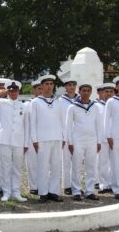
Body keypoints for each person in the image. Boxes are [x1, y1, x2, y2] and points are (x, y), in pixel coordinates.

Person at [0, 80, 29, 202]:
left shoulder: (23, 106)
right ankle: (6, 192)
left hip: (19, 140)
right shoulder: (2, 103)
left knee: (17, 167)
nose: (13, 93)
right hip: (4, 139)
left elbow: (26, 126)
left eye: (15, 91)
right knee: (5, 166)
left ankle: (16, 192)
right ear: (8, 91)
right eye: (11, 91)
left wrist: (26, 143)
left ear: (18, 92)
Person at [29, 74, 67, 203]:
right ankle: (43, 192)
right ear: (42, 86)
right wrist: (34, 139)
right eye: (47, 84)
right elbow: (32, 122)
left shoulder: (58, 101)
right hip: (42, 138)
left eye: (51, 84)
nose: (49, 86)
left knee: (56, 166)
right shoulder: (36, 102)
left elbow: (63, 121)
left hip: (57, 138)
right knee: (43, 166)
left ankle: (53, 191)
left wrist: (63, 137)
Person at [65, 83, 102, 201]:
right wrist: (70, 142)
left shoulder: (95, 106)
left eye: (88, 91)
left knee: (91, 166)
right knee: (76, 165)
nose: (86, 93)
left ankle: (89, 191)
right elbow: (68, 126)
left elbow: (99, 125)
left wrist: (99, 141)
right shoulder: (72, 107)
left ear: (91, 92)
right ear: (79, 92)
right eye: (83, 91)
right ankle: (76, 191)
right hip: (77, 140)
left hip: (92, 139)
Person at [59, 79, 79, 196]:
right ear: (65, 87)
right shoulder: (61, 101)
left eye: (73, 85)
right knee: (66, 161)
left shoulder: (80, 99)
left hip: (77, 134)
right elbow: (59, 118)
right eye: (69, 85)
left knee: (76, 162)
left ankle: (75, 185)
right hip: (65, 133)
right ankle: (66, 185)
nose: (71, 87)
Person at [96, 83, 116, 194]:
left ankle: (115, 183)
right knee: (102, 162)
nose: (109, 94)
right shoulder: (96, 106)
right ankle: (104, 184)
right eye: (106, 91)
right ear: (102, 93)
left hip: (115, 137)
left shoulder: (117, 104)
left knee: (115, 162)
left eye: (111, 92)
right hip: (102, 138)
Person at [25, 80, 42, 195]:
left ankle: (43, 185)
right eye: (38, 89)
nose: (40, 91)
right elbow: (26, 123)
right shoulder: (27, 104)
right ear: (34, 90)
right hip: (31, 136)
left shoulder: (48, 103)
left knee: (45, 163)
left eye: (42, 88)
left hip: (44, 136)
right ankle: (34, 186)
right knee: (32, 162)